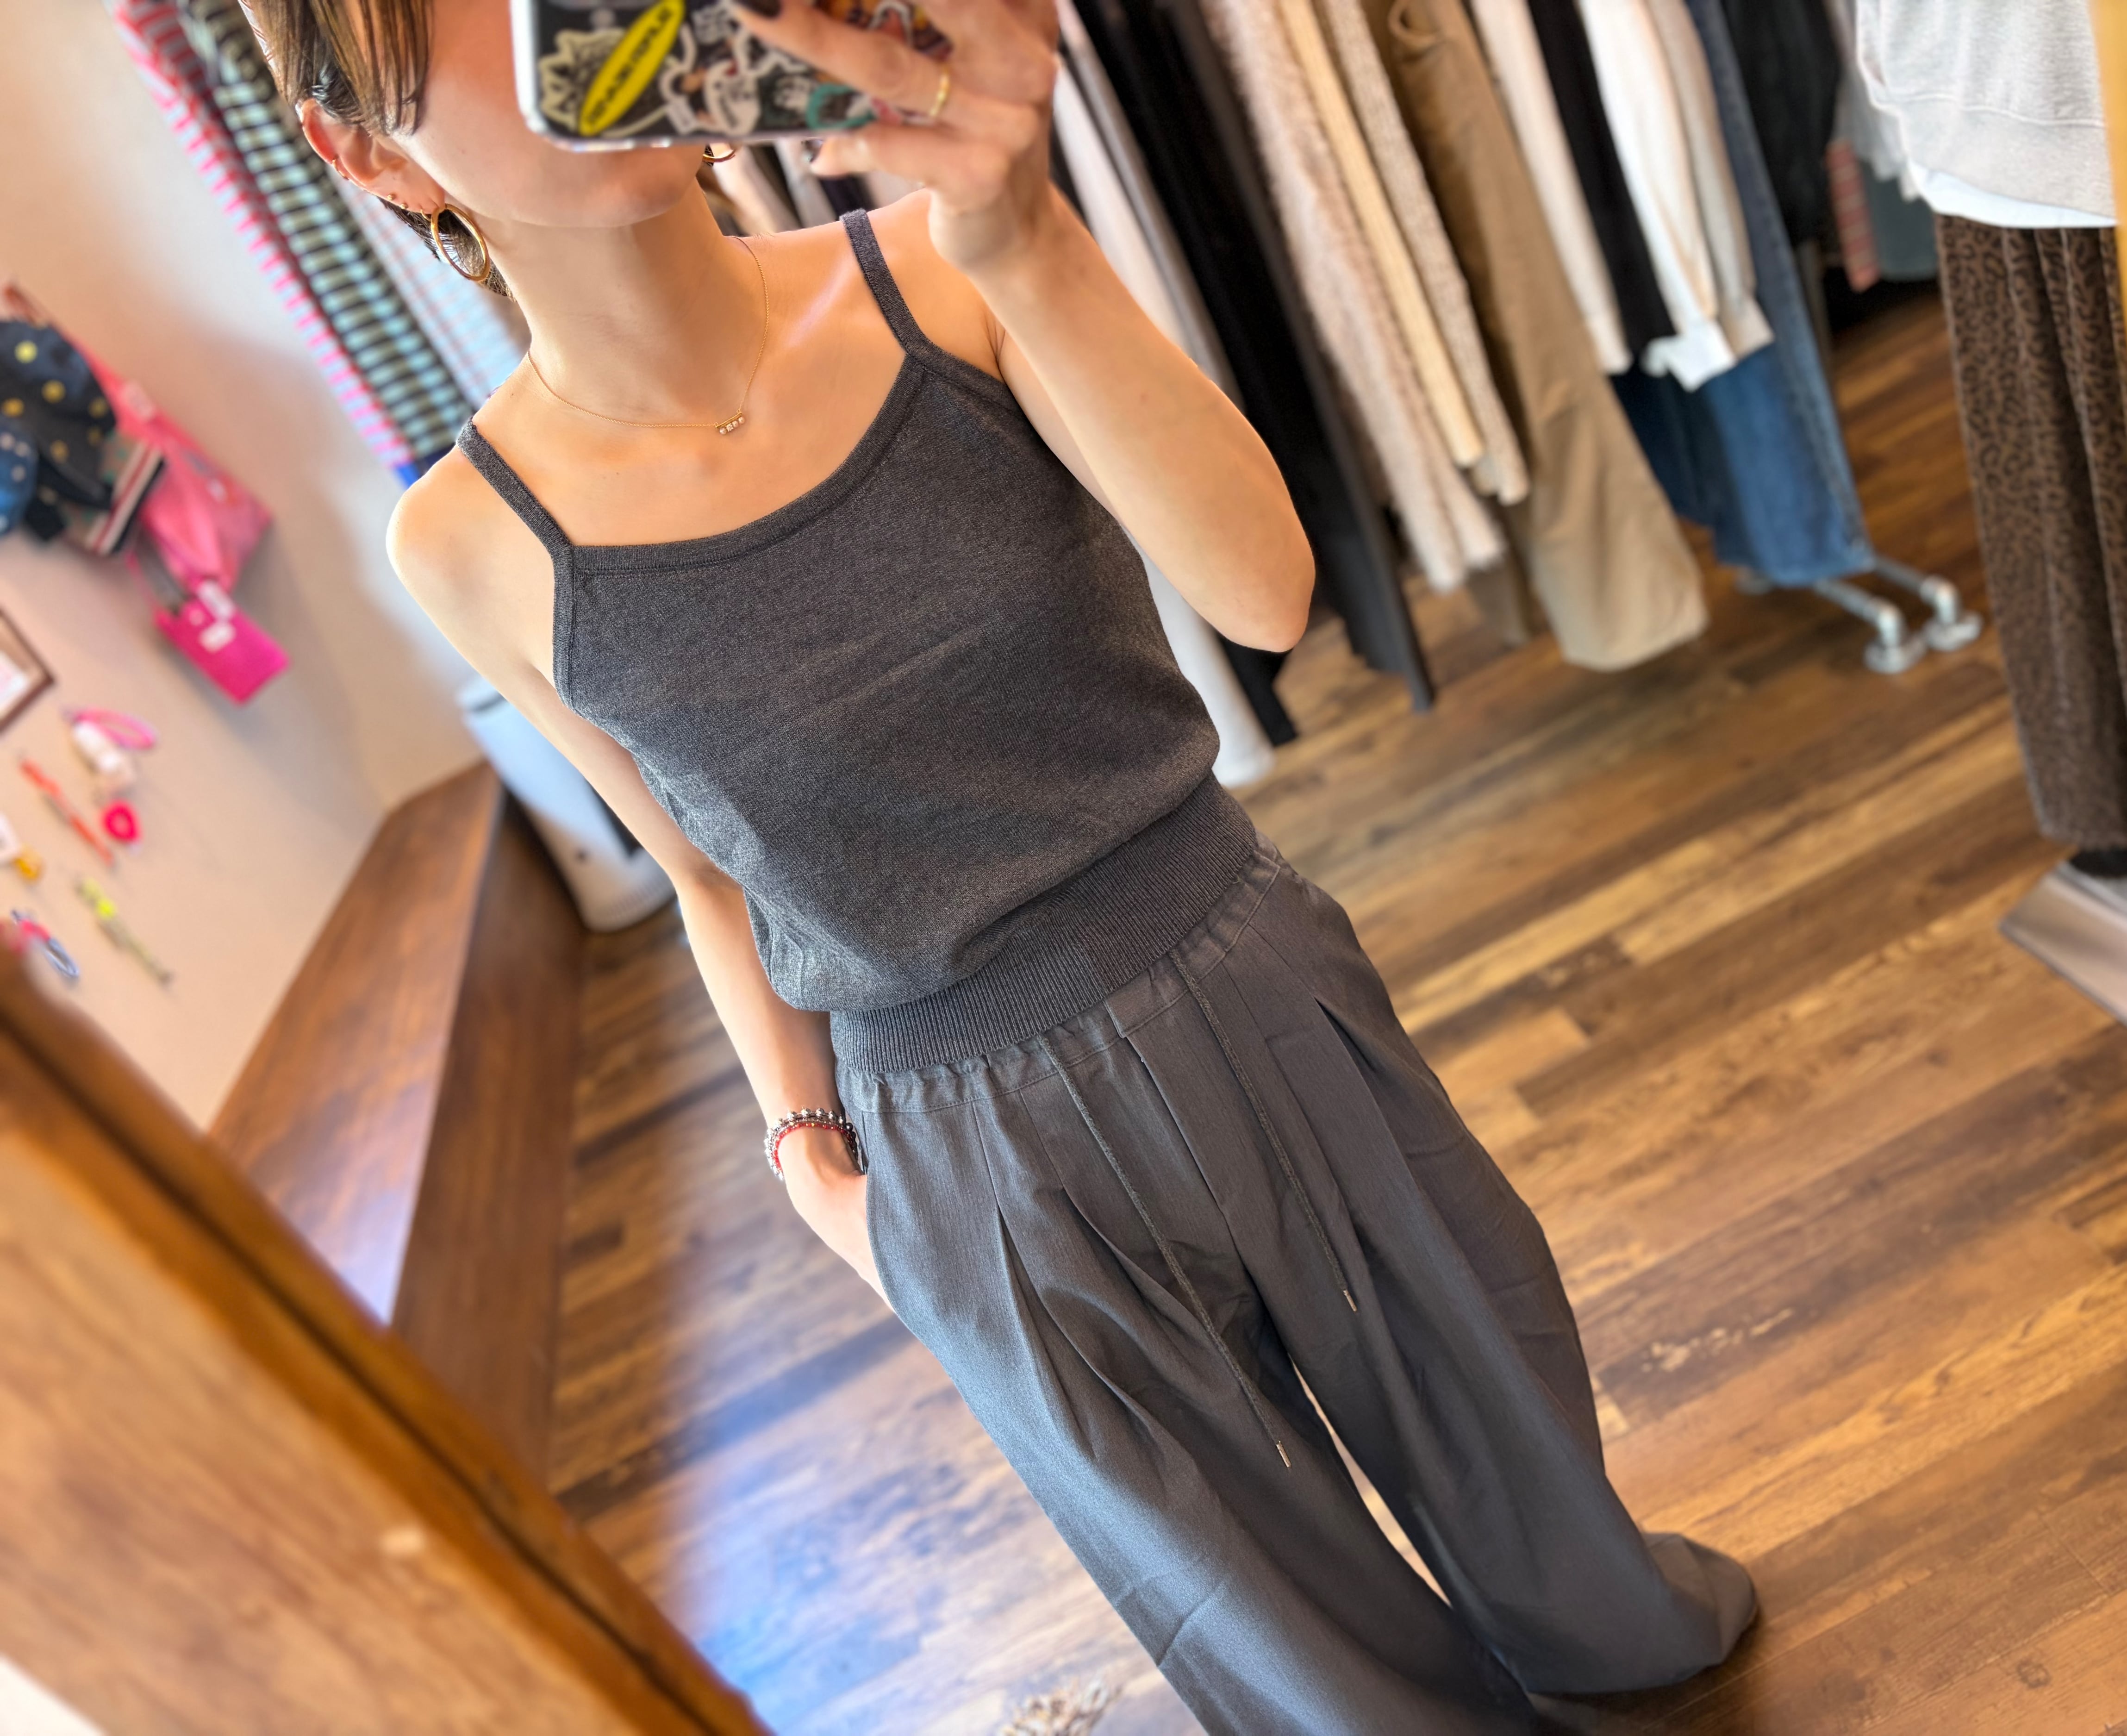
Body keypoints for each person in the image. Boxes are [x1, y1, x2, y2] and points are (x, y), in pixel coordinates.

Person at [273, 0, 1754, 1727]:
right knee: (1284, 1638)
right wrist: (808, 1159)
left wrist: (1028, 234)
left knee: (1525, 1467)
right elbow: (703, 871)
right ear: (365, 149)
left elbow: (1266, 595)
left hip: (1242, 970)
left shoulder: (944, 265)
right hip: (957, 1135)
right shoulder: (467, 539)